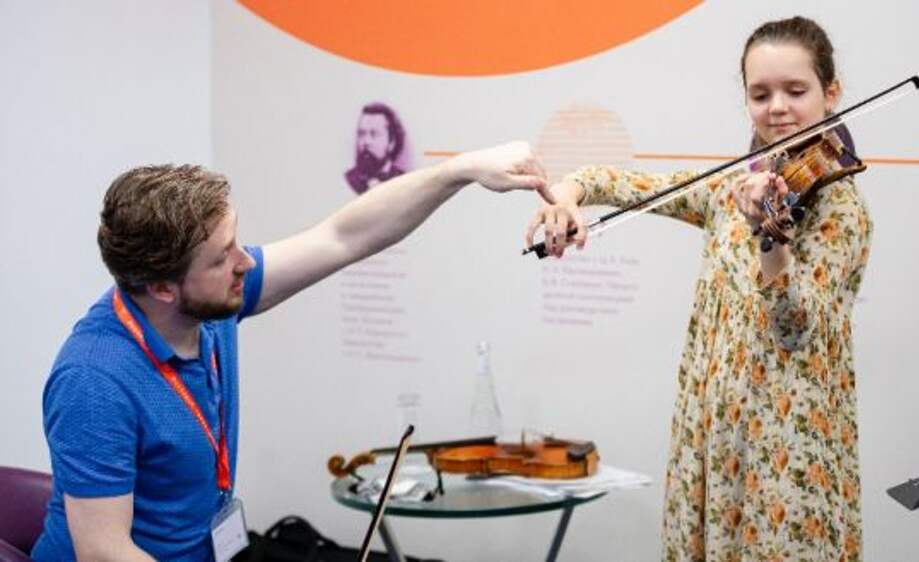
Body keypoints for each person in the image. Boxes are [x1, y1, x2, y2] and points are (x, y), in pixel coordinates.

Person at [33, 141, 551, 561]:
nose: (244, 262)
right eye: (222, 257)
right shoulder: (94, 381)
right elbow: (103, 552)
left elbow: (344, 236)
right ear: (163, 287)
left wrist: (459, 171)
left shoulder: (209, 305)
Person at [526, 16, 870, 562]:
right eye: (761, 94)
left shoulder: (841, 209)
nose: (777, 107)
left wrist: (770, 236)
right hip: (712, 440)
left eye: (795, 90)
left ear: (832, 93)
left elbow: (793, 325)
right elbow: (625, 184)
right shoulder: (731, 191)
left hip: (785, 451)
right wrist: (569, 194)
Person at [345, 102, 408, 194]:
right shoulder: (348, 180)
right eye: (361, 134)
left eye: (374, 134)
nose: (366, 142)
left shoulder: (404, 181)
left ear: (391, 142)